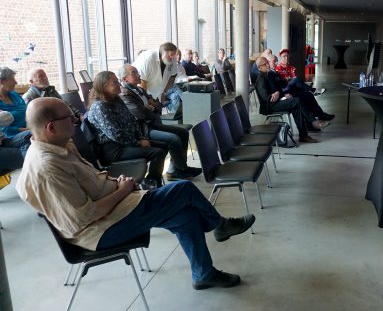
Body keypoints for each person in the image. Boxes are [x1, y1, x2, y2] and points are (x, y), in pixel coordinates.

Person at [16, 97, 256, 290]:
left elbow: (89, 182)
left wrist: (115, 183)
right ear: (51, 127)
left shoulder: (59, 146)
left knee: (187, 216)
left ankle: (204, 274)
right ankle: (219, 225)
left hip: (114, 211)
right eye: (70, 117)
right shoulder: (47, 167)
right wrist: (121, 191)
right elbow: (83, 218)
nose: (77, 121)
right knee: (182, 189)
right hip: (100, 231)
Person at [119, 64, 202, 180]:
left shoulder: (140, 89)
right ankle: (180, 170)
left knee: (183, 132)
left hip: (151, 123)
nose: (138, 75)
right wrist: (151, 107)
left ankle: (176, 170)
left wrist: (150, 107)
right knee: (173, 139)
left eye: (138, 72)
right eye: (134, 73)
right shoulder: (124, 94)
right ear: (124, 79)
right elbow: (140, 114)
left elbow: (158, 105)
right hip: (142, 130)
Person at [86, 71, 168, 187]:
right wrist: (138, 143)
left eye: (117, 81)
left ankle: (153, 181)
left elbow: (132, 121)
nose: (119, 84)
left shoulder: (116, 100)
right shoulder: (100, 106)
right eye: (114, 83)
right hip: (114, 149)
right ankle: (150, 184)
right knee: (158, 153)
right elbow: (116, 135)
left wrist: (142, 137)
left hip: (128, 142)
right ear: (103, 87)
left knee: (164, 146)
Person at [254, 57, 329, 143]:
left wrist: (282, 93)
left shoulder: (269, 74)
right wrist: (278, 93)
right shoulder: (260, 79)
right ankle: (313, 121)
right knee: (297, 101)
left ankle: (303, 136)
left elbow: (278, 89)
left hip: (277, 101)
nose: (268, 65)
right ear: (259, 67)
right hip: (270, 106)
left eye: (267, 62)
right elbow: (269, 98)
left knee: (296, 107)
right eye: (265, 64)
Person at [269, 55, 334, 122]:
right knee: (296, 82)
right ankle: (315, 118)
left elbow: (285, 80)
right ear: (268, 62)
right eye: (274, 61)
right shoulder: (270, 73)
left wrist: (287, 79)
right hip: (283, 94)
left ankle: (318, 117)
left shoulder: (274, 71)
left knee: (308, 95)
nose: (276, 63)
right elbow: (274, 88)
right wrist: (285, 91)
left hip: (286, 89)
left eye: (276, 61)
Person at [133, 42, 183, 116]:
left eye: (174, 55)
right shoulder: (147, 59)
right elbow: (141, 82)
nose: (173, 57)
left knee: (157, 118)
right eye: (171, 55)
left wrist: (164, 92)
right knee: (149, 117)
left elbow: (172, 76)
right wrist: (147, 100)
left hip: (158, 94)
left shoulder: (171, 59)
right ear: (163, 53)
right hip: (144, 93)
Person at [0, 67, 32, 156]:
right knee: (33, 135)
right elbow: (5, 130)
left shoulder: (14, 94)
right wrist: (30, 129)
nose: (16, 82)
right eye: (12, 79)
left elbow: (27, 111)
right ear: (2, 81)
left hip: (28, 128)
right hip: (11, 137)